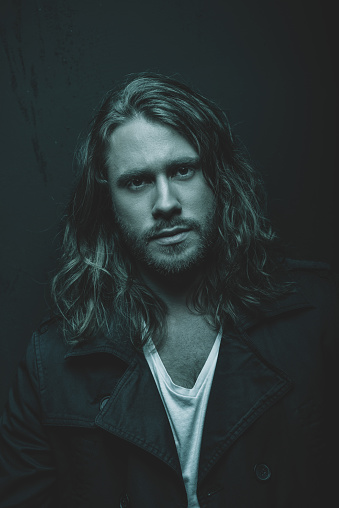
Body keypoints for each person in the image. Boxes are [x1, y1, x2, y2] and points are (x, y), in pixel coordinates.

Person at [0, 73, 337, 508]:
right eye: (137, 181)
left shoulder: (320, 313)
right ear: (108, 202)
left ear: (218, 177)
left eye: (182, 170)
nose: (165, 203)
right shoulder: (51, 362)